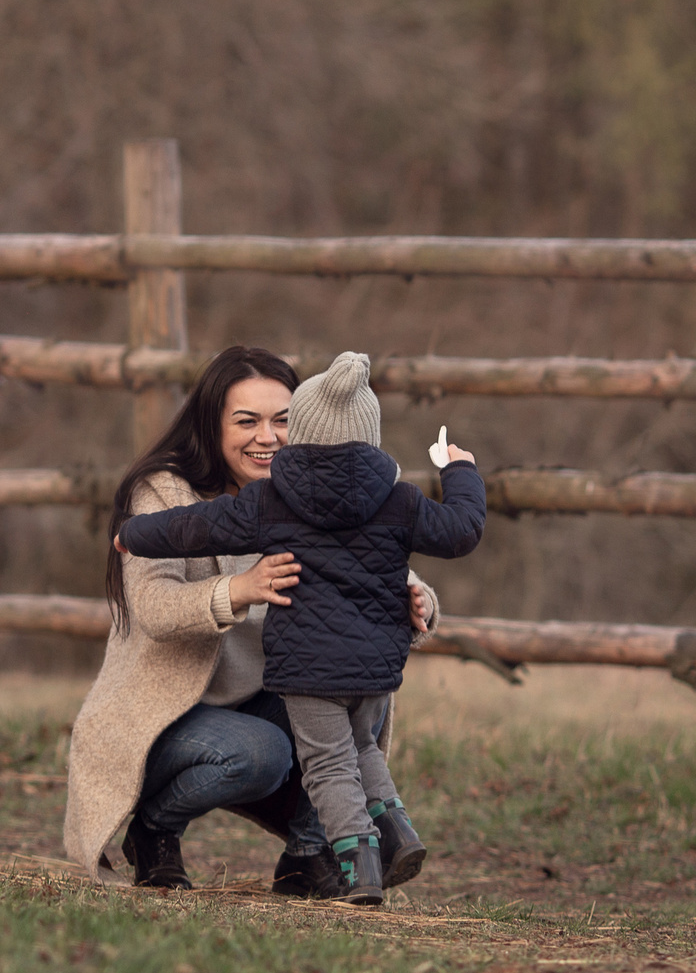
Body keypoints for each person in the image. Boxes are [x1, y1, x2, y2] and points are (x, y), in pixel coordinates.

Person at [60, 345, 440, 894]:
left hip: (277, 698)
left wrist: (419, 603)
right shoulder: (166, 492)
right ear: (211, 428)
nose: (268, 437)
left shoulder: (326, 494)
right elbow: (152, 607)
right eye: (247, 422)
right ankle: (154, 830)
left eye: (283, 420)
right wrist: (240, 590)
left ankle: (310, 857)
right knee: (260, 750)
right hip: (170, 714)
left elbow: (384, 574)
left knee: (359, 694)